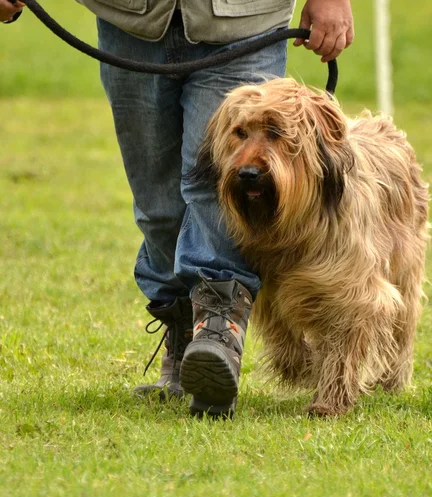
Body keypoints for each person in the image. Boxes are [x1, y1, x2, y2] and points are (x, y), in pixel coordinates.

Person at [2, 0, 354, 417]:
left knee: (217, 188)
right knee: (158, 206)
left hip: (244, 22)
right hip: (128, 20)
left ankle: (218, 335)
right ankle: (186, 338)